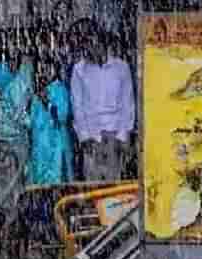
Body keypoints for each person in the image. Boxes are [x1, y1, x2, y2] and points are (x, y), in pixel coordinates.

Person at [69, 23, 135, 182]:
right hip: (91, 137)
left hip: (114, 137)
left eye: (93, 43)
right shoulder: (79, 70)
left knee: (114, 186)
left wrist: (123, 136)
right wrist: (84, 137)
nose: (90, 49)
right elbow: (77, 106)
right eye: (86, 44)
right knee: (93, 186)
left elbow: (127, 103)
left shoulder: (121, 68)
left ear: (103, 43)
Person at [0, 54, 34, 247]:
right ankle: (11, 229)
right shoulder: (13, 88)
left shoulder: (9, 91)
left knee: (10, 186)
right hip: (14, 143)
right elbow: (21, 116)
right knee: (13, 185)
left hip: (11, 143)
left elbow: (18, 116)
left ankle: (9, 230)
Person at [27, 55, 75, 186]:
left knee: (58, 181)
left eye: (48, 68)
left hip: (56, 145)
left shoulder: (60, 89)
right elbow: (31, 122)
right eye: (42, 68)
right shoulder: (36, 95)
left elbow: (63, 116)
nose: (44, 71)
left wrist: (48, 103)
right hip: (41, 149)